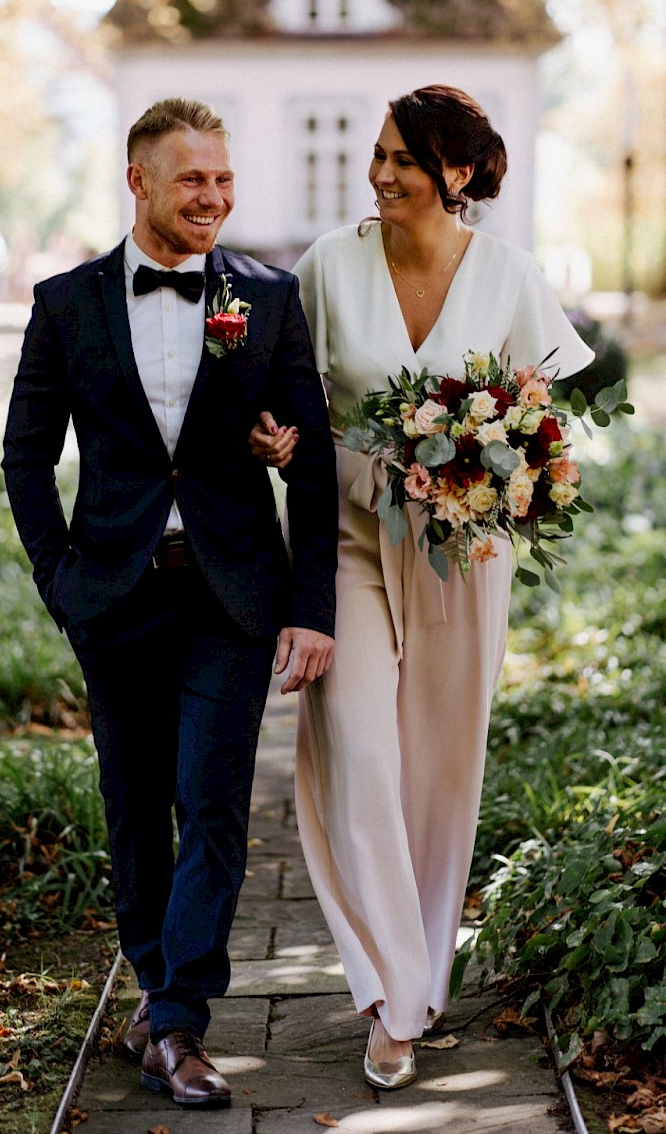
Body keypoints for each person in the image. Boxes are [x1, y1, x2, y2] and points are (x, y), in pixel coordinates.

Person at [250, 85, 593, 1089]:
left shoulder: (511, 277)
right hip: (350, 538)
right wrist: (280, 441)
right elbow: (289, 405)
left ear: (457, 172)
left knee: (437, 769)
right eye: (379, 153)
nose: (383, 173)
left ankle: (419, 967)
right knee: (356, 750)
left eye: (404, 158)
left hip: (462, 553)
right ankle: (394, 998)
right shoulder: (328, 266)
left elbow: (552, 428)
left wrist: (510, 477)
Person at [2, 97, 338, 1110]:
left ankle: (182, 1019)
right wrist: (63, 584)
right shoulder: (66, 304)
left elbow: (310, 461)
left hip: (231, 598)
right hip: (115, 596)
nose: (214, 197)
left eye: (225, 179)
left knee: (214, 804)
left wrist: (312, 606)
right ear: (139, 181)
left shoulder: (267, 299)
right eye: (193, 179)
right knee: (136, 808)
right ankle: (155, 991)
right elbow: (26, 456)